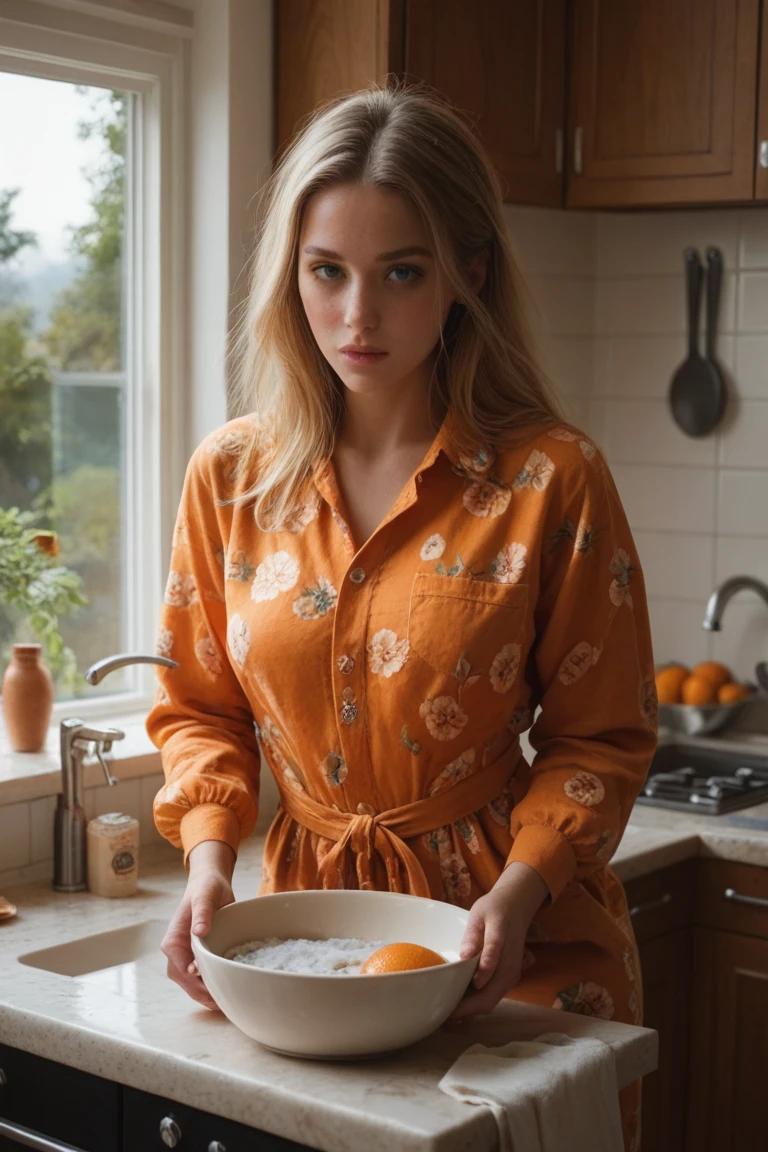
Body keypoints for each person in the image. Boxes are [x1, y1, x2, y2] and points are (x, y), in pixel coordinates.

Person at [146, 80, 657, 1151]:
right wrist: (207, 869)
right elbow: (199, 708)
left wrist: (518, 900)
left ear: (469, 275)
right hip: (299, 956)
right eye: (326, 272)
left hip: (515, 952)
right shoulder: (230, 478)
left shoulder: (550, 478)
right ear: (292, 275)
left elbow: (599, 738)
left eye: (402, 273)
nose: (357, 316)